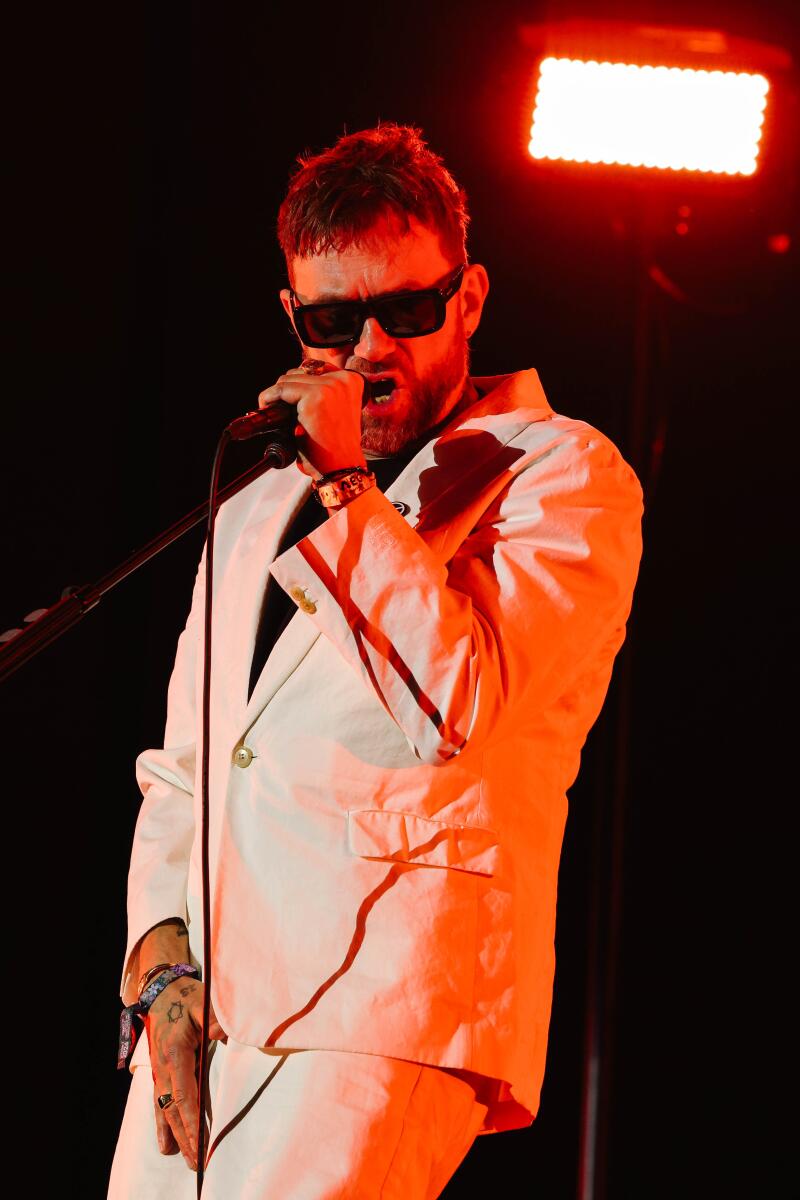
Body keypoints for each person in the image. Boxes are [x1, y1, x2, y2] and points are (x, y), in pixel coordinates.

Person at [108, 123, 643, 1199]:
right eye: (330, 321)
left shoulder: (560, 475)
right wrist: (159, 957)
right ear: (290, 319)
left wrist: (351, 489)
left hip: (382, 1003)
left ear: (470, 297)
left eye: (406, 312)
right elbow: (188, 759)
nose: (367, 353)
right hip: (212, 1016)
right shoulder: (256, 501)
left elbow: (455, 706)